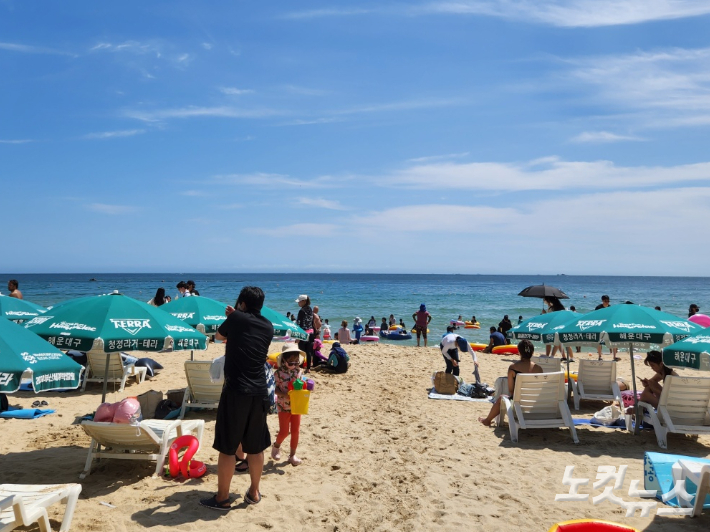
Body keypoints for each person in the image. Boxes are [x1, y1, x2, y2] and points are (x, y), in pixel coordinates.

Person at [200, 286, 273, 510]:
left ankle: (222, 497)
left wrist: (233, 317)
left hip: (236, 391)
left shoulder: (237, 318)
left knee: (228, 448)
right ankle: (254, 492)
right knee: (255, 447)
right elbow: (247, 331)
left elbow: (219, 336)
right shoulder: (268, 325)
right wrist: (237, 316)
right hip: (260, 392)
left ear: (242, 302)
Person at [479, 340, 542, 426]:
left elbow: (511, 390)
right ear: (532, 352)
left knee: (502, 397)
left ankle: (487, 420)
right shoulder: (539, 369)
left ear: (519, 352)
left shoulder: (513, 368)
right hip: (536, 404)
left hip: (519, 405)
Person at [271, 344, 306, 466]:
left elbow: (301, 384)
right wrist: (283, 394)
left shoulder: (298, 371)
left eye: (297, 363)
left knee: (296, 431)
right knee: (284, 431)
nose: (295, 365)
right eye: (291, 363)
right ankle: (276, 446)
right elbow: (272, 389)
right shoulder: (278, 373)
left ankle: (292, 455)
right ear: (284, 361)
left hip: (297, 405)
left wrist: (307, 387)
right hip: (283, 406)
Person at [295, 295, 315, 373]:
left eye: (299, 301)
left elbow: (299, 324)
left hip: (303, 333)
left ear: (304, 301)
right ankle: (308, 368)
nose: (298, 303)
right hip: (311, 332)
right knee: (309, 352)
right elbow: (312, 322)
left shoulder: (301, 311)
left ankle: (300, 367)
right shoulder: (310, 310)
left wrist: (298, 337)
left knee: (301, 351)